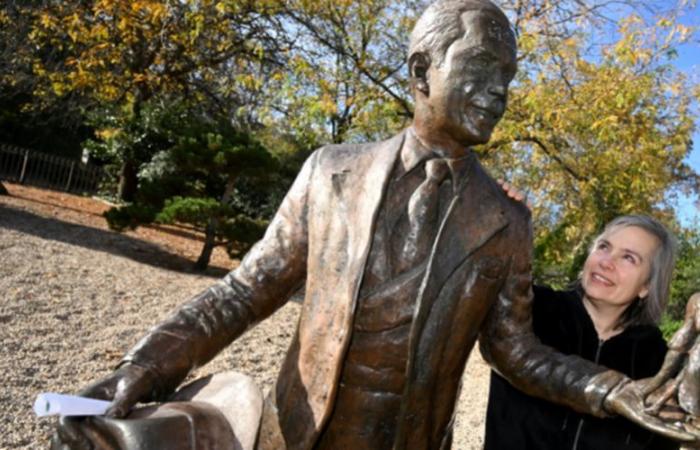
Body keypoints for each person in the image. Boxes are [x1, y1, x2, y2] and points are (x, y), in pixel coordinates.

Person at [52, 1, 696, 449]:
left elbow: (516, 352)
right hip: (297, 435)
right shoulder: (330, 172)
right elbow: (245, 291)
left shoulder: (504, 221)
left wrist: (614, 392)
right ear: (422, 71)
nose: (498, 91)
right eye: (480, 68)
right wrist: (148, 365)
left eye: (507, 78)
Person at [484, 214, 680, 450]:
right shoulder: (530, 309)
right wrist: (506, 217)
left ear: (647, 286)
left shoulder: (659, 362)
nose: (606, 262)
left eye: (629, 257)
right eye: (604, 247)